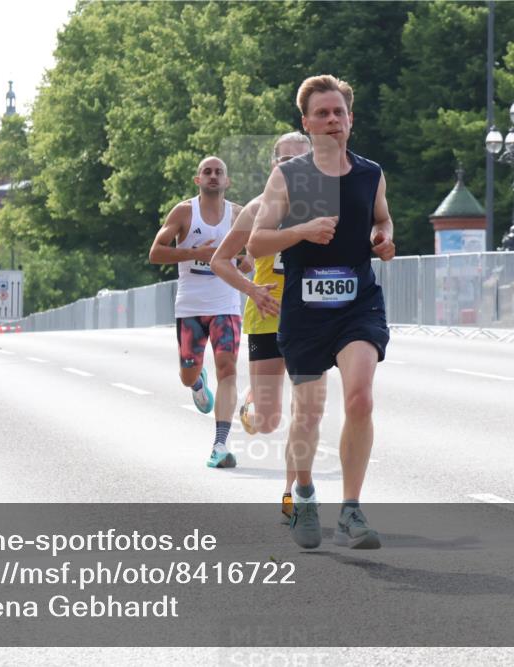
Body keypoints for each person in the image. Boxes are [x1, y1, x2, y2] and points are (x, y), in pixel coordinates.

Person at [247, 74, 396, 550]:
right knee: (307, 413)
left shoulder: (370, 173)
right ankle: (305, 495)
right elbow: (257, 240)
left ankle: (351, 511)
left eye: (339, 113)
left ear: (350, 120)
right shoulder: (289, 176)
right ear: (306, 123)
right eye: (322, 114)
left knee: (360, 399)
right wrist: (302, 231)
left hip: (357, 302)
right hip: (305, 309)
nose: (332, 121)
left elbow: (382, 217)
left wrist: (384, 239)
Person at [212, 131, 311, 522]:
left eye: (300, 161)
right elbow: (222, 260)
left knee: (304, 411)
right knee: (268, 422)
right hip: (267, 315)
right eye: (284, 161)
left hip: (310, 319)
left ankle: (293, 496)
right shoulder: (256, 209)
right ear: (274, 165)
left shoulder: (325, 206)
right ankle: (250, 406)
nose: (292, 168)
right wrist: (251, 289)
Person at [148, 156, 247, 469]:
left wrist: (245, 263)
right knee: (187, 373)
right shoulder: (184, 212)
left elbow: (253, 256)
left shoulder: (238, 214)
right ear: (198, 180)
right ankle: (196, 383)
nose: (213, 176)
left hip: (226, 305)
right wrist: (195, 253)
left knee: (228, 369)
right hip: (190, 306)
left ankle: (220, 444)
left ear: (227, 181)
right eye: (208, 172)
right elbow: (155, 252)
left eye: (219, 172)